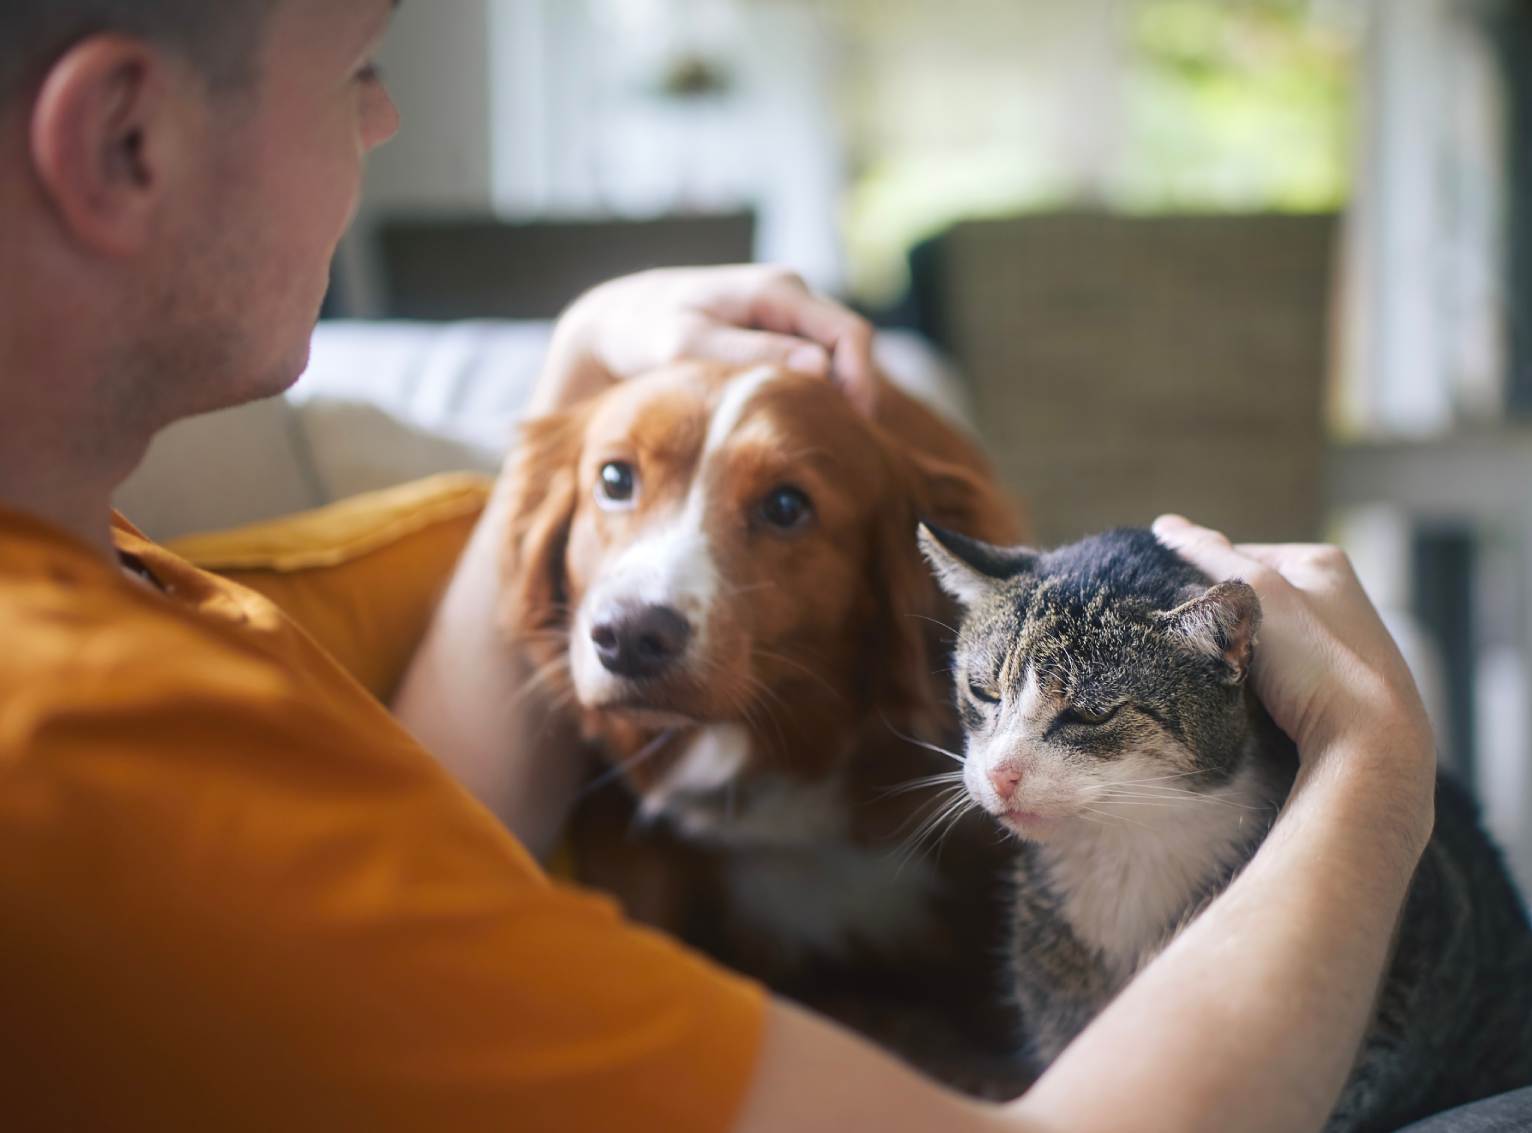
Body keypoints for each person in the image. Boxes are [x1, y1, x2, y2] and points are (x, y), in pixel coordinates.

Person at [0, 3, 1442, 1130]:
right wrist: (1372, 763)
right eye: (356, 65)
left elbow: (421, 855)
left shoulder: (94, 578)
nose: (380, 115)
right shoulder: (84, 754)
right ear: (127, 139)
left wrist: (583, 380)